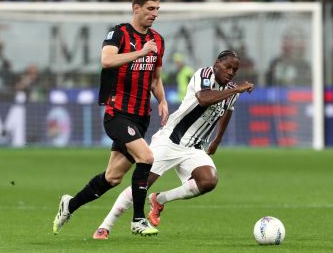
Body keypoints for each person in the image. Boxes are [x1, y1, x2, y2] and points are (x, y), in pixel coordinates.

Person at [92, 50, 254, 239]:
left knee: (208, 180)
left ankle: (159, 200)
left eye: (235, 70)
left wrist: (217, 139)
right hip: (170, 140)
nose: (231, 73)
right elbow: (203, 98)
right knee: (142, 185)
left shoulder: (232, 89)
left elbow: (228, 111)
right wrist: (235, 89)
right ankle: (105, 226)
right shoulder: (204, 75)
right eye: (228, 67)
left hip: (194, 147)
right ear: (217, 63)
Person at [52, 0, 168, 237]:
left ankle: (69, 205)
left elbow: (155, 78)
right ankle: (138, 220)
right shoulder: (119, 33)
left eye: (157, 9)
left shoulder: (158, 40)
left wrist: (162, 100)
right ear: (136, 8)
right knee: (147, 158)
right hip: (117, 113)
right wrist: (141, 52)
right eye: (150, 8)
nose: (155, 13)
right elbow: (107, 60)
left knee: (113, 178)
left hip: (141, 116)